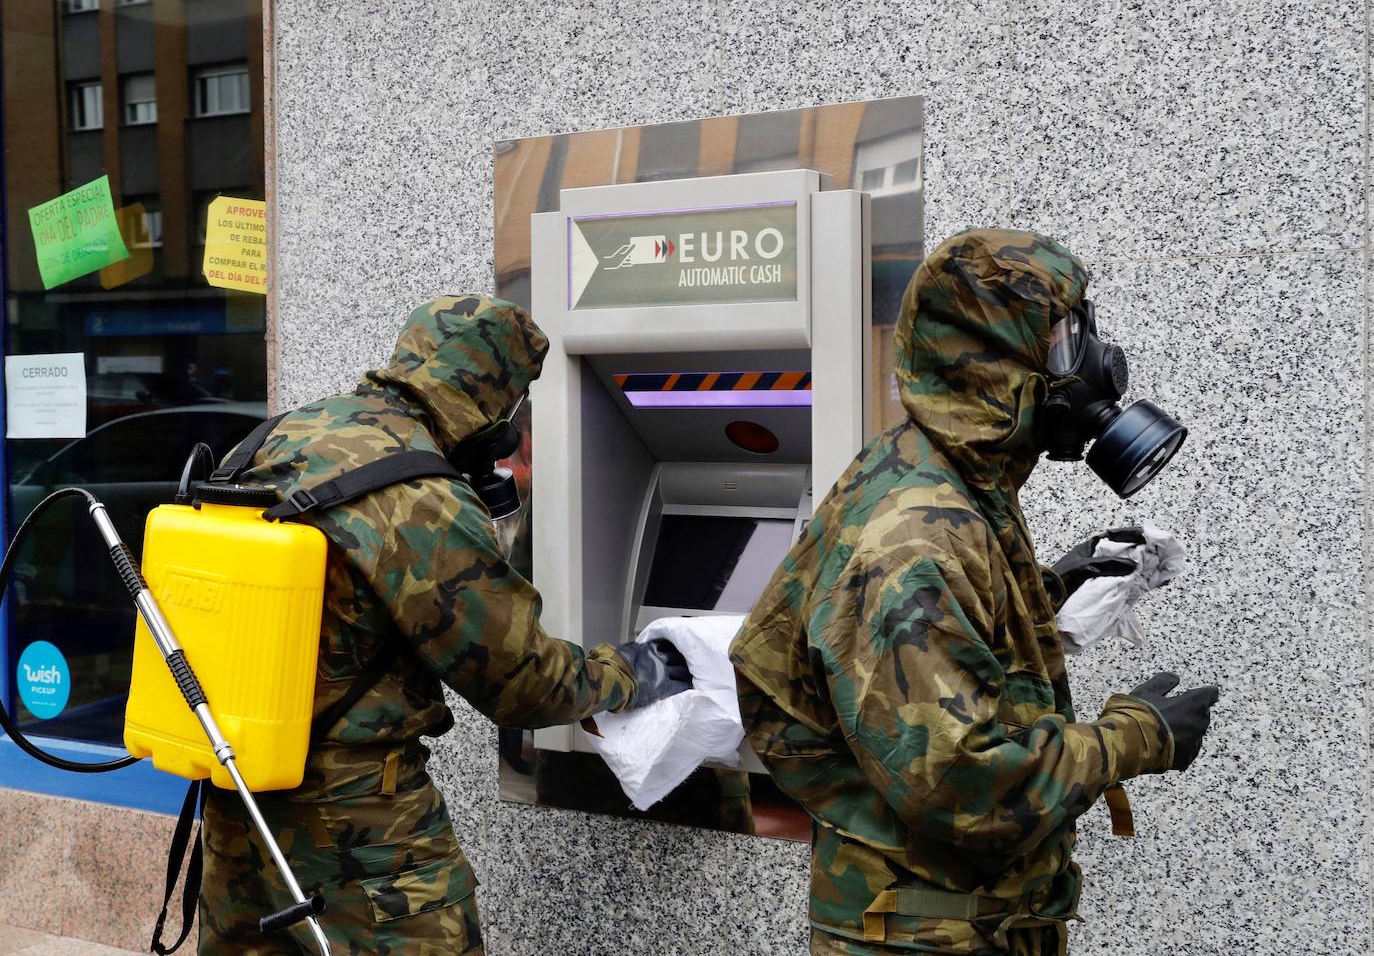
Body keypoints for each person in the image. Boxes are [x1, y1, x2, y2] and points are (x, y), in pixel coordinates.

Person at [730, 229, 1219, 956]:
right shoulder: (918, 534)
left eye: (1079, 330)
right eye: (1061, 340)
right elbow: (964, 781)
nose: (1092, 361)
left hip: (957, 916)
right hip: (924, 931)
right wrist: (1136, 738)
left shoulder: (948, 466)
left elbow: (943, 644)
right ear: (991, 363)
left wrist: (1051, 585)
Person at [197, 295, 691, 955]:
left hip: (237, 799)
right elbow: (522, 683)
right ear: (492, 403)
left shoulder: (280, 436)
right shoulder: (419, 495)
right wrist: (637, 670)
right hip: (362, 830)